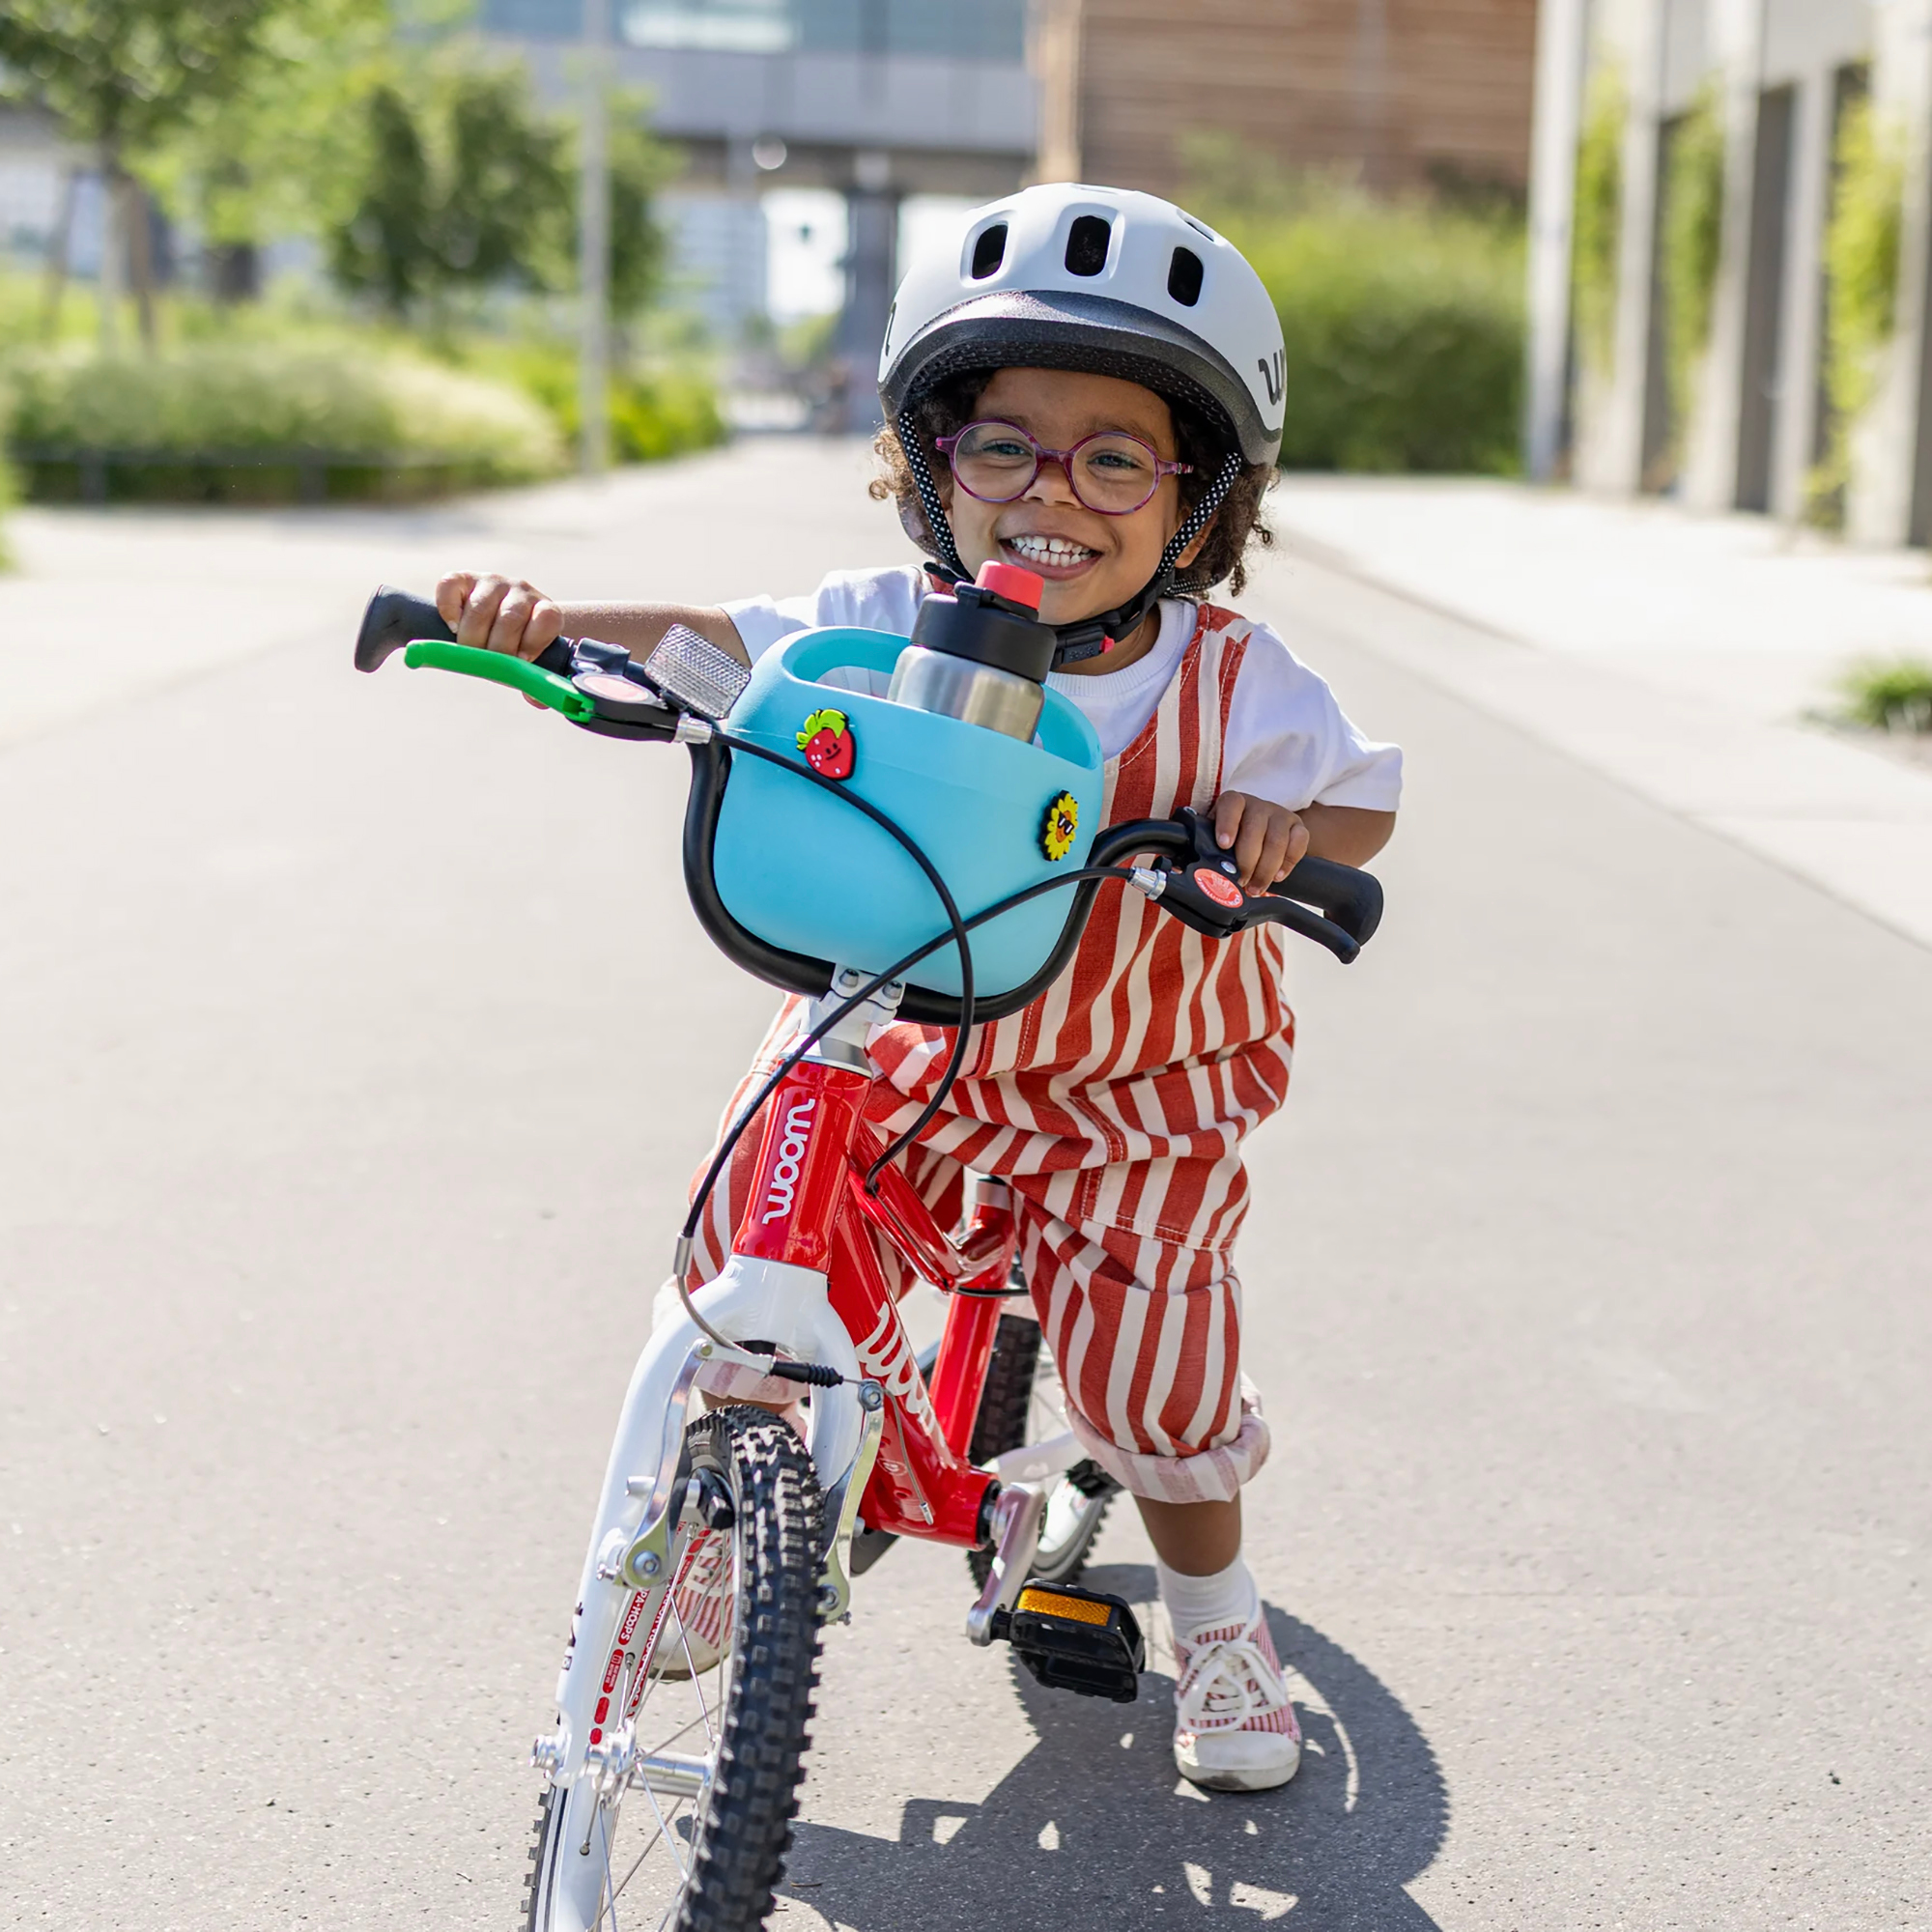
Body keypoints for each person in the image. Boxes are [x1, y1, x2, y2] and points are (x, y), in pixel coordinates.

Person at [436, 184, 1401, 1793]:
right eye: (1002, 445)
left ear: (1202, 501)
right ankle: (733, 1512)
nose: (1053, 494)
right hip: (902, 1050)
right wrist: (539, 624)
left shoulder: (1236, 680)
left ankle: (1221, 1621)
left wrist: (1277, 824)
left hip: (1134, 1095)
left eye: (1116, 458)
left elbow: (1357, 795)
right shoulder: (879, 627)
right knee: (757, 1226)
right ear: (929, 463)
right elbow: (706, 642)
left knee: (1155, 1365)